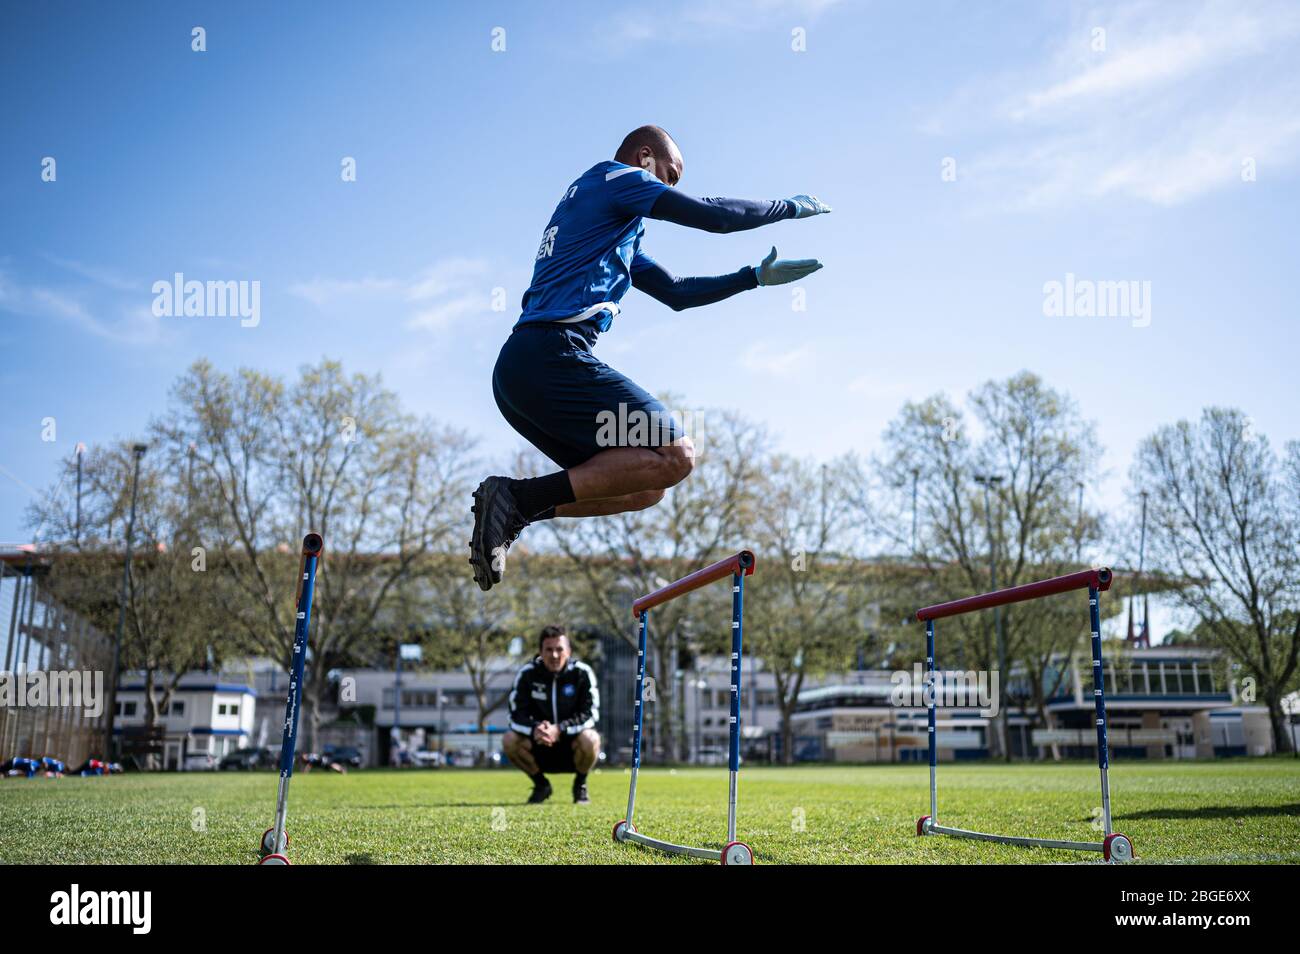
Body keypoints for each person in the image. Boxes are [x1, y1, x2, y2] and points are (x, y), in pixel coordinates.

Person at [469, 125, 830, 589]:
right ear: (644, 158)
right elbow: (712, 216)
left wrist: (751, 278)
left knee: (646, 486)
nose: (668, 189)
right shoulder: (614, 179)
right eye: (669, 175)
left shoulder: (615, 228)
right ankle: (516, 498)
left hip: (521, 377)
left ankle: (518, 507)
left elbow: (676, 293)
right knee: (677, 453)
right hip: (550, 354)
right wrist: (787, 207)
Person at [502, 625, 600, 804]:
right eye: (548, 649)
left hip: (572, 747)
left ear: (568, 651)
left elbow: (590, 713)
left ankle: (580, 786)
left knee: (591, 738)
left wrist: (559, 729)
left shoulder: (582, 673)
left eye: (559, 649)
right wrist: (535, 729)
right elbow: (515, 714)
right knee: (509, 740)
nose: (554, 655)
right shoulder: (527, 674)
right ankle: (541, 785)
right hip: (539, 747)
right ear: (540, 651)